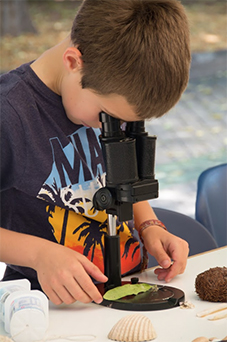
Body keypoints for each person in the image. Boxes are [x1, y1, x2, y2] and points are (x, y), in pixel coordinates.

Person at [0, 0, 191, 306]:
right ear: (74, 61)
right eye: (108, 116)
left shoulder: (107, 89)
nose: (115, 128)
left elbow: (119, 177)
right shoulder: (9, 114)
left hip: (131, 288)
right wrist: (39, 254)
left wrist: (148, 225)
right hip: (51, 308)